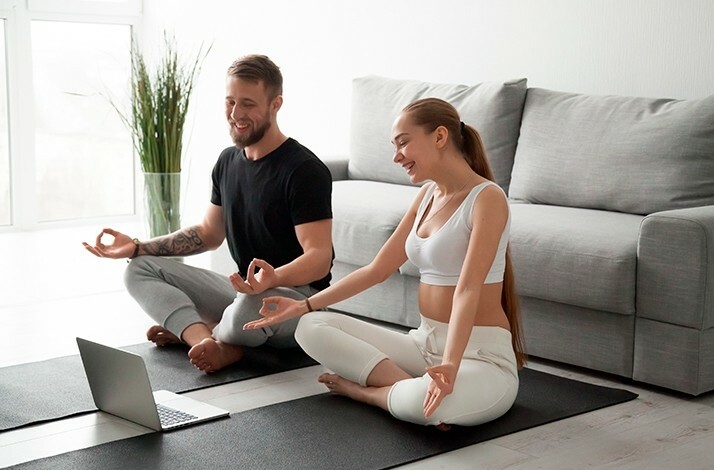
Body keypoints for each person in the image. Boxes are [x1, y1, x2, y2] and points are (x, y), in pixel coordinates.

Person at [244, 97, 526, 428]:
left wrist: (450, 365)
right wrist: (304, 305)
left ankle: (368, 393)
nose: (397, 157)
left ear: (439, 137)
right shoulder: (426, 196)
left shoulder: (487, 198)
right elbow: (377, 270)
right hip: (423, 345)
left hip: (480, 358)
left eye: (404, 143)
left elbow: (467, 288)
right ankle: (407, 388)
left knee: (431, 407)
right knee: (310, 327)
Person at [83, 54, 334, 373]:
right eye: (230, 102)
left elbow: (318, 258)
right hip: (245, 291)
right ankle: (207, 341)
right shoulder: (228, 162)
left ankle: (215, 337)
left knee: (248, 306)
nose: (236, 114)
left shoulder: (303, 170)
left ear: (276, 104)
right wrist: (136, 247)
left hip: (297, 301)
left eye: (248, 104)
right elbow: (208, 234)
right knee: (138, 269)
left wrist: (274, 278)